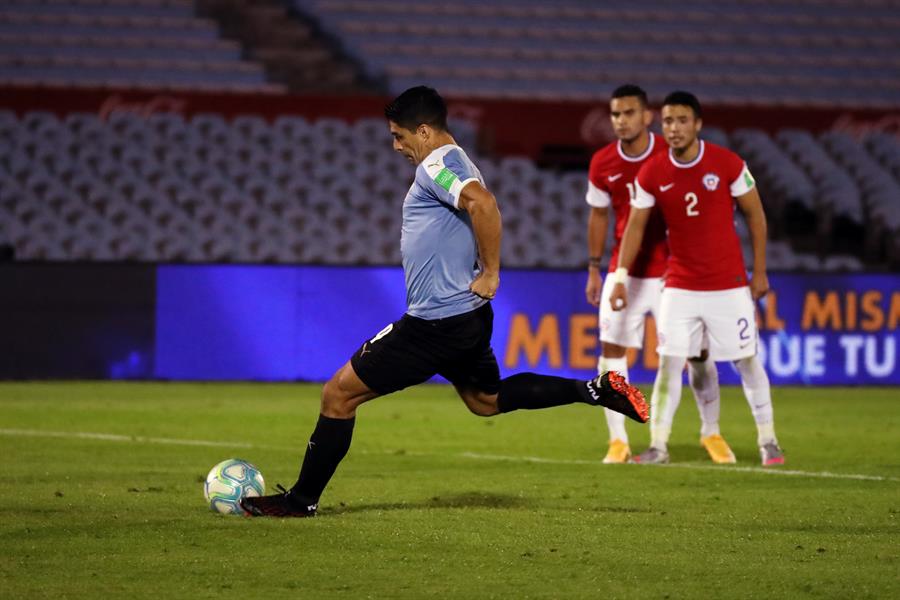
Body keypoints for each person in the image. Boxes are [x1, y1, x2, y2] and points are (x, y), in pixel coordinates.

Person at [242, 86, 649, 517]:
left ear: (423, 130)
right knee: (485, 401)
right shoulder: (454, 161)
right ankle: (593, 389)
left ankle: (301, 501)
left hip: (434, 323)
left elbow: (484, 204)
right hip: (466, 319)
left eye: (399, 136)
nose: (396, 146)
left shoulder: (438, 164)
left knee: (337, 396)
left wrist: (491, 272)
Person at [611, 91, 785, 467]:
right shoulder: (653, 171)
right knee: (670, 362)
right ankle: (658, 444)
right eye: (668, 121)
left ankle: (768, 440)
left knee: (747, 361)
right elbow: (635, 227)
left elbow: (756, 215)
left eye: (682, 121)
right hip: (680, 285)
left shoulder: (728, 164)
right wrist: (622, 275)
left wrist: (760, 270)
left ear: (698, 124)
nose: (673, 128)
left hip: (729, 285)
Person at [585, 85, 732, 465]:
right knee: (612, 352)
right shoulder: (602, 162)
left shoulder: (671, 155)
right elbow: (599, 215)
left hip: (674, 271)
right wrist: (595, 268)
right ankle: (618, 441)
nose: (621, 121)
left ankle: (710, 432)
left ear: (647, 116)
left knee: (698, 354)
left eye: (629, 113)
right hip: (625, 273)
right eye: (615, 114)